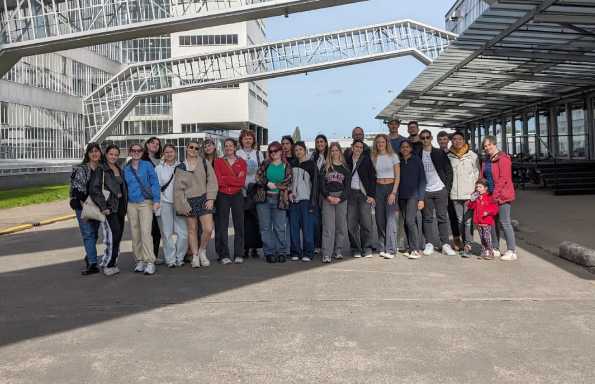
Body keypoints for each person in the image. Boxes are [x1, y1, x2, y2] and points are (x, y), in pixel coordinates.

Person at [174, 141, 218, 268]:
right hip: (189, 201)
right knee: (192, 230)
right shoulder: (180, 167)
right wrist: (183, 205)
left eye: (196, 148)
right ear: (186, 148)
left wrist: (211, 198)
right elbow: (178, 189)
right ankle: (195, 256)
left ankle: (202, 251)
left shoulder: (204, 163)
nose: (193, 149)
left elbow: (212, 181)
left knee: (208, 229)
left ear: (199, 150)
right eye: (191, 147)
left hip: (204, 198)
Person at [89, 144, 128, 276]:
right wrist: (103, 207)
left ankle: (112, 262)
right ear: (106, 155)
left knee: (118, 235)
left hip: (120, 207)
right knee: (113, 235)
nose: (114, 157)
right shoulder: (101, 169)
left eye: (116, 155)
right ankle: (108, 264)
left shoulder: (118, 168)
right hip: (109, 208)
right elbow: (94, 189)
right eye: (111, 154)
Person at [123, 143, 161, 275]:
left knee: (146, 232)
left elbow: (155, 183)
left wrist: (156, 200)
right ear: (130, 152)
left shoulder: (147, 165)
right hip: (131, 204)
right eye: (133, 150)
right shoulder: (126, 168)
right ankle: (139, 260)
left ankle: (150, 261)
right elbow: (123, 187)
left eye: (139, 150)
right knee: (135, 233)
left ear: (142, 152)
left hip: (146, 203)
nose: (136, 152)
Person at [418, 130, 456, 257]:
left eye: (427, 137)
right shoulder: (417, 154)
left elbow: (449, 171)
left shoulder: (439, 153)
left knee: (442, 217)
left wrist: (447, 188)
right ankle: (429, 243)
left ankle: (445, 244)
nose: (425, 140)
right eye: (422, 138)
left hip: (440, 189)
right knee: (427, 218)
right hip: (425, 191)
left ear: (431, 138)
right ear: (420, 139)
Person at [481, 136, 518, 261]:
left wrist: (495, 195)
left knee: (504, 222)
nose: (487, 148)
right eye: (485, 146)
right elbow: (483, 176)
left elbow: (504, 179)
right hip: (490, 195)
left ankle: (511, 250)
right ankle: (495, 248)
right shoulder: (486, 160)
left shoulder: (503, 159)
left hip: (502, 196)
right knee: (492, 222)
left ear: (494, 144)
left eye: (489, 145)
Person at [256, 141, 292, 263]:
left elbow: (288, 182)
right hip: (264, 199)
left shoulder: (286, 165)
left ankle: (281, 252)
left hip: (280, 199)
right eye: (271, 151)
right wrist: (267, 183)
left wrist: (275, 185)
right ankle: (269, 252)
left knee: (280, 227)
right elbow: (258, 177)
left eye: (275, 150)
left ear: (281, 151)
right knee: (265, 227)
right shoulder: (265, 163)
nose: (273, 153)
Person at [69, 142, 103, 275]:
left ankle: (89, 255)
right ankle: (93, 264)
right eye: (91, 151)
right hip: (83, 206)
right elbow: (77, 190)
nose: (94, 153)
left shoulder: (103, 169)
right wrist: (86, 207)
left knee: (94, 234)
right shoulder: (81, 169)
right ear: (87, 154)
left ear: (100, 153)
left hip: (99, 207)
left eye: (97, 151)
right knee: (88, 234)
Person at [214, 138, 247, 265]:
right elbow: (219, 180)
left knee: (239, 225)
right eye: (226, 146)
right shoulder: (218, 162)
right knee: (222, 225)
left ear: (235, 147)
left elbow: (241, 182)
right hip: (222, 195)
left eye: (230, 146)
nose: (228, 148)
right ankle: (224, 254)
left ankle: (239, 253)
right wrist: (233, 178)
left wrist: (227, 178)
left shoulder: (242, 162)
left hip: (237, 195)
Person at [447, 131, 480, 258]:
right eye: (454, 139)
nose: (457, 141)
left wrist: (476, 192)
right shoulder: (449, 156)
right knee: (460, 220)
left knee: (468, 221)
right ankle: (462, 241)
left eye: (460, 139)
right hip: (455, 194)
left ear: (464, 141)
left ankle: (468, 245)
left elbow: (477, 173)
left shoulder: (472, 156)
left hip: (469, 194)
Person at [155, 144, 188, 268]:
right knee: (167, 233)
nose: (169, 154)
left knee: (183, 233)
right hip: (164, 203)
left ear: (175, 153)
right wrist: (157, 204)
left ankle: (180, 257)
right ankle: (170, 259)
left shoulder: (182, 167)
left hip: (180, 203)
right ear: (164, 154)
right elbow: (156, 187)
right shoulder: (158, 168)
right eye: (166, 152)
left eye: (171, 152)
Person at [346, 139, 376, 258]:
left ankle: (367, 248)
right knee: (351, 224)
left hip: (364, 194)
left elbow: (373, 178)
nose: (358, 149)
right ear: (352, 147)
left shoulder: (366, 160)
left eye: (360, 147)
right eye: (356, 147)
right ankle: (355, 248)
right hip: (351, 194)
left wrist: (371, 195)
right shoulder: (346, 160)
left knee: (366, 223)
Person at [320, 142, 350, 263]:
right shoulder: (325, 167)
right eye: (332, 151)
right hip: (328, 198)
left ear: (340, 152)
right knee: (328, 227)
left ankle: (338, 251)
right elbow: (321, 185)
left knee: (341, 226)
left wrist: (340, 198)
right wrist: (328, 196)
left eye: (336, 150)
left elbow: (347, 187)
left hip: (341, 198)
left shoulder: (345, 168)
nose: (334, 153)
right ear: (330, 153)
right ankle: (327, 253)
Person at [371, 134, 400, 259]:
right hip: (378, 189)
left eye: (382, 142)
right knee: (379, 218)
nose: (380, 144)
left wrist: (393, 192)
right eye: (378, 142)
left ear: (386, 143)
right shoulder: (374, 157)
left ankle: (391, 249)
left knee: (391, 219)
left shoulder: (393, 156)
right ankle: (382, 246)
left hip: (390, 187)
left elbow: (398, 176)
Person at [288, 141, 318, 262]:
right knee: (294, 228)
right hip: (294, 201)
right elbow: (288, 182)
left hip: (306, 201)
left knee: (307, 228)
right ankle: (295, 252)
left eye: (300, 149)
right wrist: (290, 193)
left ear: (305, 150)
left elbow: (315, 185)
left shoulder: (311, 164)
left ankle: (308, 252)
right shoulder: (292, 164)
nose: (298, 152)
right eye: (296, 150)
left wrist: (313, 202)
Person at [236, 129, 263, 258]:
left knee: (255, 220)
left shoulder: (258, 154)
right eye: (245, 138)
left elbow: (262, 171)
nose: (247, 140)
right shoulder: (237, 153)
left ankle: (255, 248)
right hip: (241, 191)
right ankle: (245, 247)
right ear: (241, 140)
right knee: (243, 221)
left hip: (254, 191)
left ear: (253, 140)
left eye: (250, 138)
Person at [398, 141, 426, 259]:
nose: (405, 149)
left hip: (413, 196)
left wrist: (421, 199)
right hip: (401, 196)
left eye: (407, 147)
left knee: (410, 221)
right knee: (405, 221)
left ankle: (415, 249)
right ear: (400, 149)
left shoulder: (417, 160)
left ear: (411, 149)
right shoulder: (398, 161)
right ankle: (409, 247)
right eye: (403, 147)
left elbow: (422, 180)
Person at [142, 137, 163, 264]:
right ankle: (147, 257)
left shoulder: (159, 160)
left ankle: (152, 256)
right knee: (149, 231)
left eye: (157, 144)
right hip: (145, 199)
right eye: (153, 143)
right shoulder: (142, 160)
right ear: (147, 144)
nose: (155, 145)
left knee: (155, 231)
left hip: (157, 198)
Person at [467, 179, 499, 260]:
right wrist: (471, 200)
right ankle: (484, 251)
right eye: (477, 187)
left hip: (486, 222)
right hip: (478, 222)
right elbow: (471, 207)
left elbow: (495, 209)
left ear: (486, 188)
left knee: (486, 237)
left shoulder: (489, 197)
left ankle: (490, 251)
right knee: (482, 238)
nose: (478, 189)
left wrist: (487, 212)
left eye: (480, 187)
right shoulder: (476, 197)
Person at [311, 134, 329, 254]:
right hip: (315, 192)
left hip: (327, 191)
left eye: (322, 142)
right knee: (316, 220)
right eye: (317, 142)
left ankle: (326, 244)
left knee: (326, 220)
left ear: (326, 143)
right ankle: (317, 244)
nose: (320, 144)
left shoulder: (330, 156)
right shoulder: (313, 157)